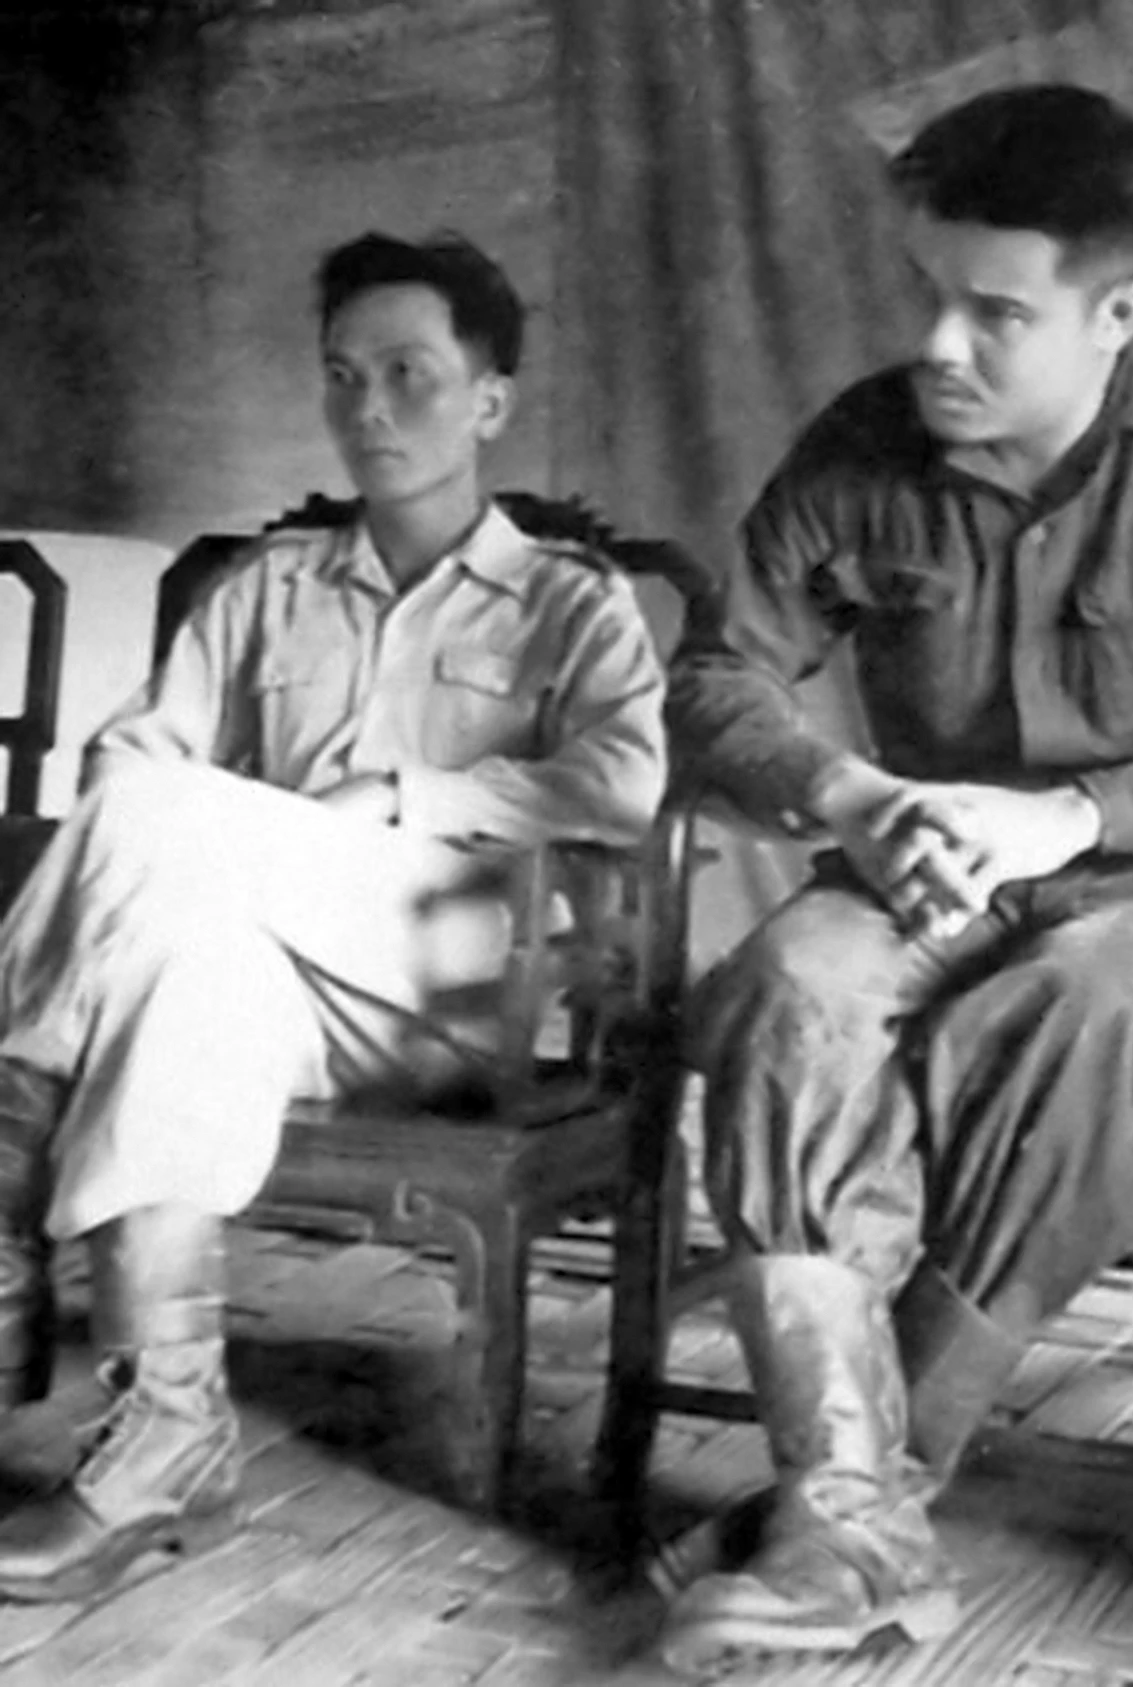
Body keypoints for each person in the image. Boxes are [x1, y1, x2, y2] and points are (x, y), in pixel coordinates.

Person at [659, 82, 1133, 1668]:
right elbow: (715, 677)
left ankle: (847, 1499)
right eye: (929, 292)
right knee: (785, 984)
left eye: (997, 312)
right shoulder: (866, 440)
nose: (940, 345)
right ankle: (858, 1522)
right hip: (910, 869)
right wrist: (843, 791)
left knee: (1110, 1002)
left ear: (1121, 314)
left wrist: (1071, 820)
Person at [0, 230, 666, 1601]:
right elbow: (134, 763)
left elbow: (622, 785)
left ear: (489, 400)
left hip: (449, 986)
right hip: (279, 973)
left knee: (167, 825)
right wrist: (242, 837)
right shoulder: (268, 587)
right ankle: (168, 1435)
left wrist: (406, 795)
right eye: (344, 376)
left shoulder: (568, 600)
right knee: (186, 956)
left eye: (410, 375)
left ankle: (6, 1174)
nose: (370, 409)